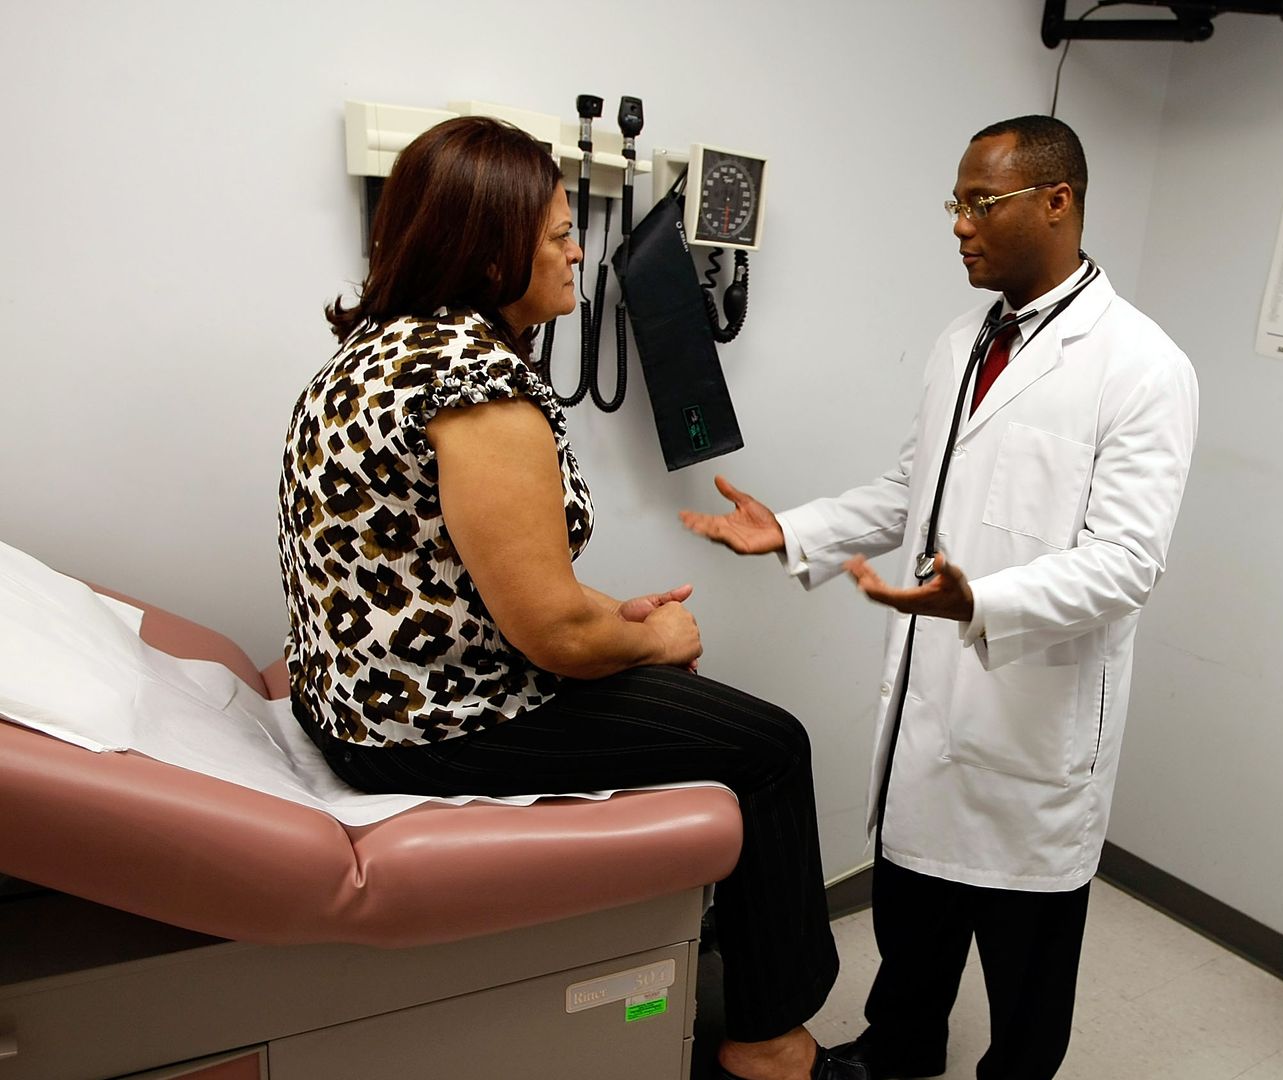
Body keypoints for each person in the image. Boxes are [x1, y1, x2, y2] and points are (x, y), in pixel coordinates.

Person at [278, 116, 863, 1080]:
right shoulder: (474, 384)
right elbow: (550, 630)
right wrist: (656, 636)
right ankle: (771, 1045)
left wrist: (608, 623)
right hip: (433, 723)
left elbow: (461, 575)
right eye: (556, 233)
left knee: (690, 699)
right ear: (490, 244)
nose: (577, 250)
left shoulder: (368, 356)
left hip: (352, 698)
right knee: (770, 747)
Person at [682, 115, 1199, 1080]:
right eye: (954, 204)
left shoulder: (1141, 365)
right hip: (931, 706)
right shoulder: (964, 338)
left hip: (1034, 725)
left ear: (1058, 202)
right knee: (911, 935)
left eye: (980, 203)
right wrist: (792, 530)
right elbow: (908, 493)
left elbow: (1129, 561)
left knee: (1025, 978)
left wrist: (982, 601)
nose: (958, 225)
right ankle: (897, 1053)